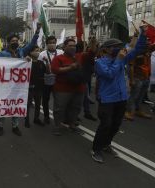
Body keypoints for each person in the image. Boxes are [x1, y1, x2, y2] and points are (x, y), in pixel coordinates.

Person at [91, 26, 147, 163]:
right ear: (107, 49)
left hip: (121, 98)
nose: (119, 49)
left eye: (119, 46)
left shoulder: (122, 58)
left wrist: (143, 34)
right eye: (115, 47)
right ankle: (96, 149)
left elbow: (137, 49)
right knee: (106, 124)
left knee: (116, 125)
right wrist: (118, 60)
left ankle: (106, 144)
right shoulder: (99, 62)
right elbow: (109, 74)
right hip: (107, 99)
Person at [0, 22, 41, 136]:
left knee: (15, 105)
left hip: (18, 85)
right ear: (8, 42)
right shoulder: (2, 54)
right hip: (6, 85)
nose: (15, 42)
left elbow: (31, 45)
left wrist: (37, 31)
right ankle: (0, 126)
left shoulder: (21, 52)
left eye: (16, 41)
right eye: (13, 41)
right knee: (4, 105)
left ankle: (15, 126)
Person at [51, 38, 96, 136]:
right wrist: (70, 68)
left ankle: (72, 125)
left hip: (79, 88)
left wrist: (92, 43)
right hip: (62, 89)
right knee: (59, 109)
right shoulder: (58, 58)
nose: (73, 48)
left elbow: (91, 54)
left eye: (74, 46)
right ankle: (57, 126)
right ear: (64, 47)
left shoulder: (80, 56)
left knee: (76, 108)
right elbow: (55, 70)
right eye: (70, 46)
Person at [124, 35, 154, 120]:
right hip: (137, 78)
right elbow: (131, 66)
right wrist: (131, 79)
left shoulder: (148, 50)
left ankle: (137, 110)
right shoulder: (135, 51)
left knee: (140, 96)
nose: (148, 42)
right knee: (133, 96)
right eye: (147, 40)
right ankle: (128, 111)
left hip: (146, 78)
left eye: (149, 40)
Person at [38, 36, 64, 124]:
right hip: (47, 80)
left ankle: (59, 117)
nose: (52, 44)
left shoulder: (61, 52)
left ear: (56, 43)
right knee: (45, 99)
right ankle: (46, 116)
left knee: (59, 100)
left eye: (53, 42)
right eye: (50, 43)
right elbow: (39, 67)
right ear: (47, 44)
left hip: (58, 80)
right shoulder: (42, 54)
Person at [24, 45, 45, 128]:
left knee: (38, 104)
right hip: (30, 87)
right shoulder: (27, 62)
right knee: (28, 105)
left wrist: (47, 63)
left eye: (38, 50)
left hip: (39, 87)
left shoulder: (41, 62)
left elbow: (46, 72)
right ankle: (26, 120)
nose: (37, 52)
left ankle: (36, 118)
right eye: (36, 50)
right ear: (31, 52)